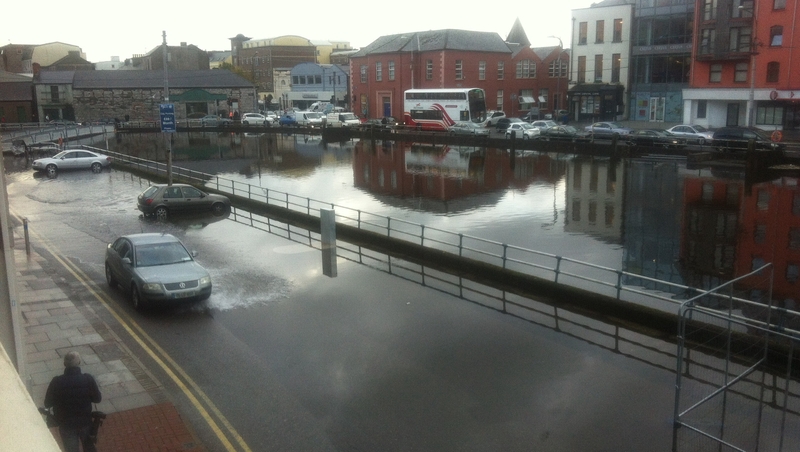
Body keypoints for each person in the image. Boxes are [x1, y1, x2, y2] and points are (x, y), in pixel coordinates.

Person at [44, 351, 102, 452]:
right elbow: (97, 399)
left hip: (66, 424)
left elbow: (47, 403)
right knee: (89, 448)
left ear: (64, 364)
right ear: (79, 362)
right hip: (85, 422)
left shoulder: (56, 381)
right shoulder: (88, 379)